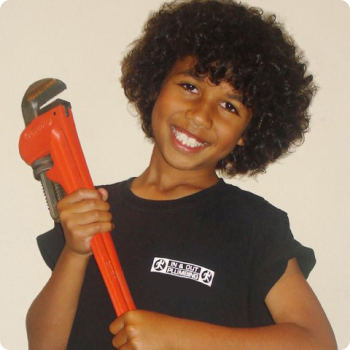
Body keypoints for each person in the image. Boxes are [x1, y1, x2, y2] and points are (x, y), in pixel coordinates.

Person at [26, 1, 338, 349]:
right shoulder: (90, 207)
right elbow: (43, 344)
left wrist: (175, 337)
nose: (201, 115)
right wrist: (74, 252)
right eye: (190, 86)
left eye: (229, 106)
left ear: (249, 131)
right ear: (157, 83)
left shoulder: (252, 225)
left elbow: (317, 342)